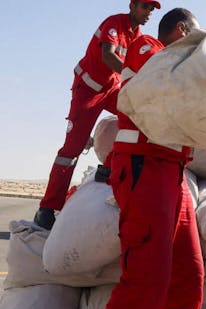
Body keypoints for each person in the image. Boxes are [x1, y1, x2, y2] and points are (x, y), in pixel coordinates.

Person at [86, 8, 204, 309]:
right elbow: (161, 85)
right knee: (147, 279)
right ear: (182, 30)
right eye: (195, 36)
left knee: (188, 276)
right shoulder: (147, 48)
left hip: (173, 174)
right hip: (145, 166)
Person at [34, 0, 161, 230]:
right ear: (132, 6)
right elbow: (108, 55)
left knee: (136, 117)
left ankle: (110, 165)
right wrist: (133, 75)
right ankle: (46, 208)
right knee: (71, 150)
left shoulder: (138, 35)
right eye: (145, 7)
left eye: (152, 9)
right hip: (88, 92)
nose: (148, 13)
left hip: (111, 90)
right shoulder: (114, 23)